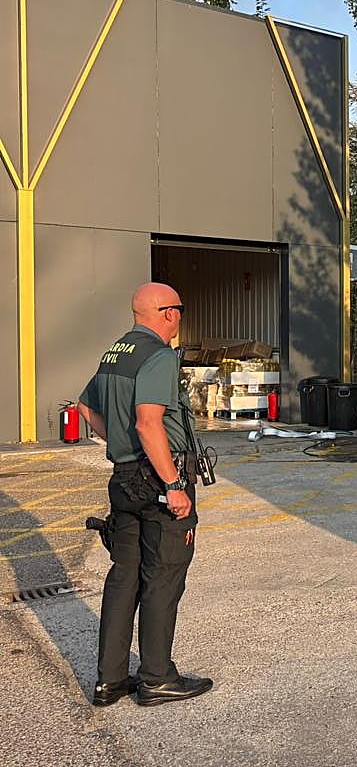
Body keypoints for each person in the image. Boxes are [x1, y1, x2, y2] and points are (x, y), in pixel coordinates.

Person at [77, 282, 212, 707]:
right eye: (180, 309)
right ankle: (157, 678)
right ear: (167, 313)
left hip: (124, 480)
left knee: (124, 577)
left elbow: (85, 406)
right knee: (163, 578)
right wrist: (173, 485)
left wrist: (119, 447)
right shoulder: (158, 356)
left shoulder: (114, 353)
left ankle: (110, 680)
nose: (180, 317)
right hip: (157, 480)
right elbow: (148, 423)